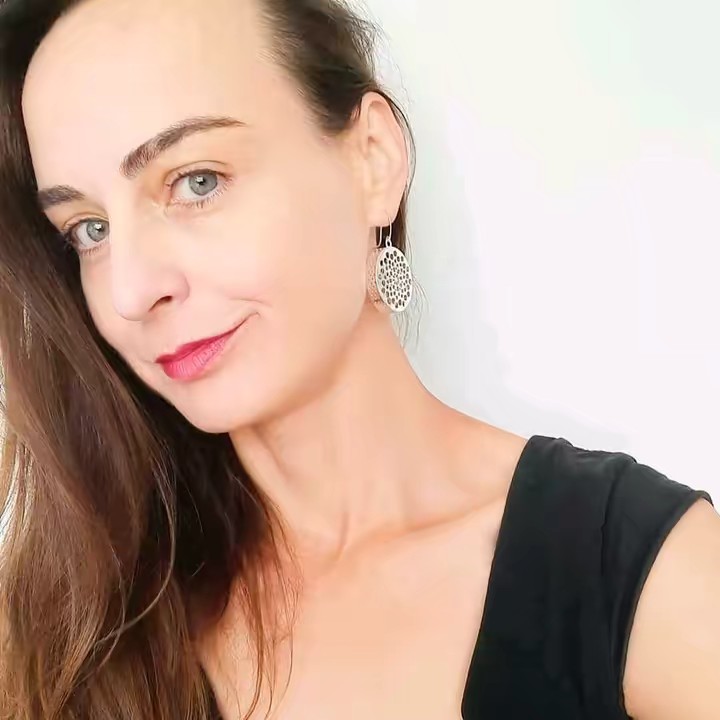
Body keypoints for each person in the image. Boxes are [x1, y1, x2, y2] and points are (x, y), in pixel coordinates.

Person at [0, 0, 718, 718]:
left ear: (372, 159)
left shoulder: (646, 577)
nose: (130, 290)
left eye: (197, 182)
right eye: (88, 229)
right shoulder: (74, 620)